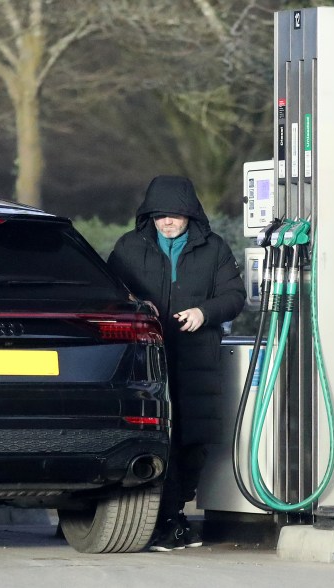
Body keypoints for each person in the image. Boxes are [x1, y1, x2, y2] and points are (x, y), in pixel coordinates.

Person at [106, 175, 245, 552]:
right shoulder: (129, 247)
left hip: (197, 360)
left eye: (176, 216)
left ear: (190, 216)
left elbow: (234, 296)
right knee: (156, 439)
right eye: (160, 215)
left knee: (192, 440)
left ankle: (173, 515)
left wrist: (205, 312)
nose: (167, 222)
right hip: (147, 361)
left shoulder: (214, 249)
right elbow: (110, 292)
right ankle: (164, 520)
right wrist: (135, 305)